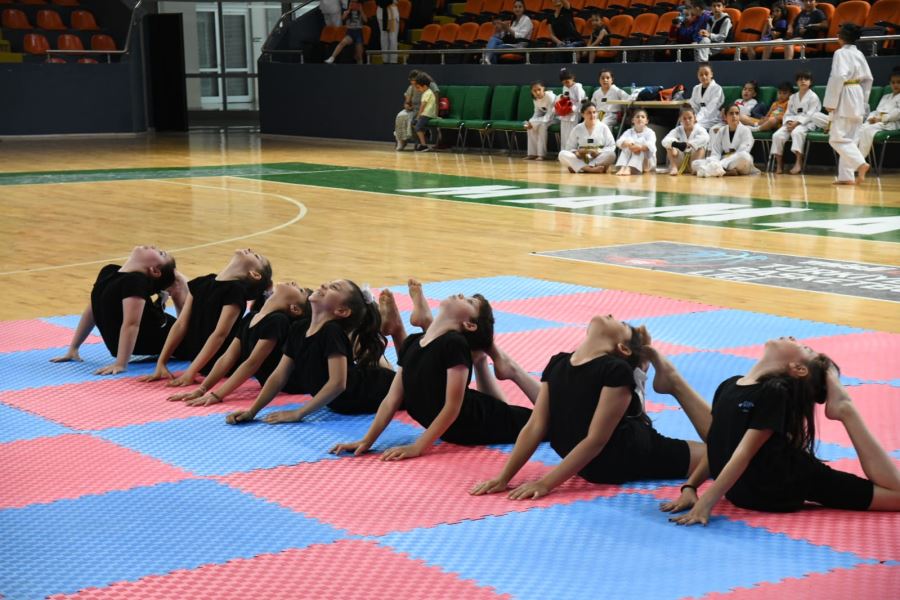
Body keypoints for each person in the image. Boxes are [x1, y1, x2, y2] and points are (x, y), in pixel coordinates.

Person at [661, 338, 900, 525]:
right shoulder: (729, 385)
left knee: (896, 496)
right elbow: (718, 444)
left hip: (781, 482)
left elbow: (744, 453)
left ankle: (845, 409)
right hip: (746, 492)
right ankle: (843, 406)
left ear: (797, 367)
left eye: (804, 347)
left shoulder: (774, 393)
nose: (794, 338)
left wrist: (706, 503)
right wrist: (691, 487)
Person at [470, 320, 712, 499]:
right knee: (721, 452)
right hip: (611, 459)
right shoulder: (558, 362)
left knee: (720, 453)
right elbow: (536, 425)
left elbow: (596, 439)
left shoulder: (614, 369)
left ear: (622, 349)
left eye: (620, 323)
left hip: (614, 453)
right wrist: (504, 477)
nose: (610, 315)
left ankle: (658, 376)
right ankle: (656, 375)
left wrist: (546, 483)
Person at [330, 292, 541, 460]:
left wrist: (419, 446)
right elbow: (391, 400)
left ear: (469, 324)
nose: (459, 294)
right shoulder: (412, 342)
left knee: (548, 420)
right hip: (461, 426)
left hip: (470, 423)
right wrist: (367, 441)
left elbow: (452, 407)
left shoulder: (454, 344)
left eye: (467, 301)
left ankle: (508, 367)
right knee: (509, 412)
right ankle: (486, 359)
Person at [226, 279, 394, 424]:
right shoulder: (299, 329)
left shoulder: (331, 332)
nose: (323, 285)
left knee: (411, 388)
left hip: (374, 388)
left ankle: (396, 328)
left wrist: (299, 413)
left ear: (341, 311)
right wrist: (252, 411)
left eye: (333, 288)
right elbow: (279, 376)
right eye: (328, 283)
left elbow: (338, 384)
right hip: (343, 401)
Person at [138, 248, 273, 386]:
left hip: (222, 363)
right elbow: (180, 324)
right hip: (198, 357)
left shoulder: (235, 291)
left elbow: (219, 335)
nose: (250, 250)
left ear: (254, 274)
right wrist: (161, 363)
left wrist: (191, 371)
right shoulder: (202, 282)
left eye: (256, 256)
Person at [167, 282, 312, 407]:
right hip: (268, 381)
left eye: (299, 290)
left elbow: (252, 363)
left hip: (292, 384)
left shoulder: (278, 321)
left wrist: (218, 395)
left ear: (294, 309)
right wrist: (202, 388)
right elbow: (228, 356)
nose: (294, 282)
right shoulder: (250, 317)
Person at [51, 245, 187, 375]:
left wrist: (121, 364)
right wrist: (73, 348)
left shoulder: (135, 282)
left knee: (192, 334)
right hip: (156, 336)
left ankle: (179, 288)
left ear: (154, 270)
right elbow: (93, 309)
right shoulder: (108, 271)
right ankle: (178, 288)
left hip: (181, 340)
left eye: (160, 253)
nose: (153, 246)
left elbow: (132, 324)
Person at [824, 23, 873, 186]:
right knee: (851, 138)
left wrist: (830, 102)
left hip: (844, 93)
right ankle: (847, 176)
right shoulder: (858, 54)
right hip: (857, 93)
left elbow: (838, 77)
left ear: (841, 36)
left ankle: (860, 164)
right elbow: (869, 79)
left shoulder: (840, 53)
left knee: (836, 138)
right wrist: (864, 102)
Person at [771, 70, 820, 174]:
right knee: (777, 135)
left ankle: (798, 163)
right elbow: (788, 112)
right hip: (791, 122)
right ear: (796, 82)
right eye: (800, 79)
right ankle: (779, 164)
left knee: (797, 132)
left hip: (808, 122)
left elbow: (811, 114)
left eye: (805, 79)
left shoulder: (813, 97)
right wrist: (789, 122)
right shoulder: (793, 97)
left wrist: (797, 123)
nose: (802, 81)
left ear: (810, 82)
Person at [692, 104, 759, 177]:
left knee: (745, 156)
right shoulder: (721, 131)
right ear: (725, 117)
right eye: (731, 113)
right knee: (695, 163)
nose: (734, 116)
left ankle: (713, 170)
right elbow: (716, 152)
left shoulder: (746, 130)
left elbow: (743, 151)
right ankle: (725, 172)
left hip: (738, 163)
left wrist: (719, 163)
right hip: (723, 161)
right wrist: (714, 161)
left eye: (737, 113)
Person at [559, 102, 617, 173]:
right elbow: (569, 147)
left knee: (611, 155)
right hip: (582, 158)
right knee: (562, 154)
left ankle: (580, 167)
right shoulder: (577, 128)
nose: (592, 115)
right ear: (583, 114)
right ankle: (590, 169)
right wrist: (577, 153)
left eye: (594, 112)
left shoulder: (603, 127)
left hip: (598, 158)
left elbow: (612, 146)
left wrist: (598, 152)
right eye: (589, 113)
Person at [856, 68, 900, 159]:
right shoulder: (886, 96)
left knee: (867, 130)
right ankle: (853, 159)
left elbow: (897, 113)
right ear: (890, 84)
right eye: (893, 82)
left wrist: (881, 119)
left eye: (899, 82)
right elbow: (877, 111)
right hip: (878, 122)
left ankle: (859, 161)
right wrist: (871, 118)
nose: (896, 85)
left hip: (892, 124)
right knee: (860, 129)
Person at [395, 70, 439, 151]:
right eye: (411, 80)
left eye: (414, 80)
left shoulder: (429, 87)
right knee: (400, 116)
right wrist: (407, 105)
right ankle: (401, 141)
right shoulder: (411, 87)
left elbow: (434, 102)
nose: (412, 83)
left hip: (423, 111)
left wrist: (436, 114)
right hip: (414, 109)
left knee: (414, 122)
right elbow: (407, 101)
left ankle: (422, 140)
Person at [662, 107, 710, 175]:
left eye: (690, 118)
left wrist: (689, 144)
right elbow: (664, 141)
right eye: (684, 118)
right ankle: (674, 167)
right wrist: (677, 144)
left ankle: (694, 169)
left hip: (694, 160)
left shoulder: (700, 129)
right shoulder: (677, 130)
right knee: (669, 145)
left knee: (701, 148)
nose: (687, 120)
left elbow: (706, 138)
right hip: (680, 161)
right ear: (680, 119)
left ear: (695, 118)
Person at [483, 0, 533, 64]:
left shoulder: (527, 20)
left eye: (520, 7)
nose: (517, 9)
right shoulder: (514, 21)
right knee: (493, 39)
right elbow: (508, 35)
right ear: (513, 9)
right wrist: (502, 30)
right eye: (515, 7)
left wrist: (508, 29)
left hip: (519, 45)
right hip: (509, 42)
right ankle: (487, 60)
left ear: (524, 9)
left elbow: (521, 36)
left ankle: (487, 60)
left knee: (493, 49)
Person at [614, 109, 656, 175]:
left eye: (642, 117)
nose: (640, 118)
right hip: (629, 159)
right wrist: (628, 144)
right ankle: (623, 167)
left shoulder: (650, 132)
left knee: (640, 143)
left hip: (646, 162)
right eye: (637, 116)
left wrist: (638, 147)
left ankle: (629, 168)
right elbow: (618, 142)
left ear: (646, 121)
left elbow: (650, 146)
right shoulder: (629, 131)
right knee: (627, 143)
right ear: (633, 120)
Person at [324, 0, 366, 64]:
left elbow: (365, 20)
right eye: (352, 2)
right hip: (350, 33)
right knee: (342, 43)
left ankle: (360, 68)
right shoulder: (347, 12)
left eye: (355, 2)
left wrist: (361, 10)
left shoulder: (360, 12)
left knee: (359, 56)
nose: (353, 4)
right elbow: (342, 19)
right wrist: (348, 11)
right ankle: (332, 57)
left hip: (358, 33)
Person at [524, 81, 557, 160]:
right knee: (531, 127)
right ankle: (532, 153)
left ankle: (541, 155)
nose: (537, 92)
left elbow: (550, 115)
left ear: (543, 89)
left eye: (539, 89)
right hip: (544, 119)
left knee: (542, 125)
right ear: (532, 92)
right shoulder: (535, 99)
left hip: (556, 118)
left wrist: (532, 122)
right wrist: (531, 121)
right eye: (534, 91)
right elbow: (537, 113)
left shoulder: (550, 97)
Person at [556, 68, 586, 150]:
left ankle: (572, 151)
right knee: (564, 133)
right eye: (564, 83)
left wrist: (573, 109)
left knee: (571, 133)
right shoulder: (564, 87)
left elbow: (581, 101)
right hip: (565, 113)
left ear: (572, 78)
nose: (566, 84)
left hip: (574, 114)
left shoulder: (577, 88)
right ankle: (563, 152)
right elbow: (565, 98)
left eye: (567, 82)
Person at [689, 63, 725, 131]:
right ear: (698, 76)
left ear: (711, 74)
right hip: (698, 118)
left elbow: (711, 108)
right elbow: (693, 105)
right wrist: (692, 117)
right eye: (701, 75)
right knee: (684, 124)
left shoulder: (717, 89)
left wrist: (696, 119)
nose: (704, 77)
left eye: (706, 74)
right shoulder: (696, 88)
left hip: (713, 119)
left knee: (695, 126)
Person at [414, 73, 438, 152]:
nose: (417, 90)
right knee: (414, 123)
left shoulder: (427, 93)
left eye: (418, 88)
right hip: (428, 114)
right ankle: (425, 132)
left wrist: (418, 116)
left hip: (426, 114)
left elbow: (422, 106)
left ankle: (424, 145)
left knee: (417, 127)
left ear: (424, 86)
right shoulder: (429, 92)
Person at [376, 0, 400, 64]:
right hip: (382, 13)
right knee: (384, 39)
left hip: (392, 14)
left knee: (393, 38)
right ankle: (385, 60)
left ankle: (393, 61)